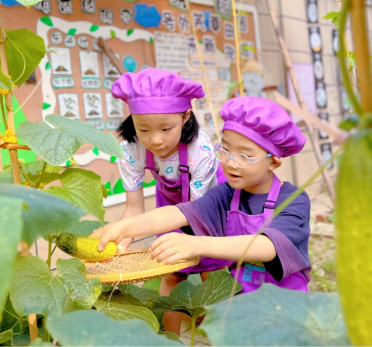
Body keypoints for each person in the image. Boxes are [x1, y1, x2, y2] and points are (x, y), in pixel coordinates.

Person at [93, 96, 311, 295]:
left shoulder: (294, 200)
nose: (230, 162)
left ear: (273, 161)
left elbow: (267, 247)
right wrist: (123, 228)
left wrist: (195, 244)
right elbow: (178, 213)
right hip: (241, 307)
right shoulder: (226, 195)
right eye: (225, 150)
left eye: (244, 155)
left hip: (287, 308)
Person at [111, 68, 227, 332]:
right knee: (171, 270)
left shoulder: (202, 151)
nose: (156, 140)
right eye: (143, 129)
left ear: (186, 116)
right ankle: (171, 335)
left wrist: (190, 245)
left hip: (208, 207)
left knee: (213, 272)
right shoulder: (131, 149)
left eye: (166, 128)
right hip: (170, 205)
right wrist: (120, 248)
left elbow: (197, 213)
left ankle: (217, 329)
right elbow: (134, 208)